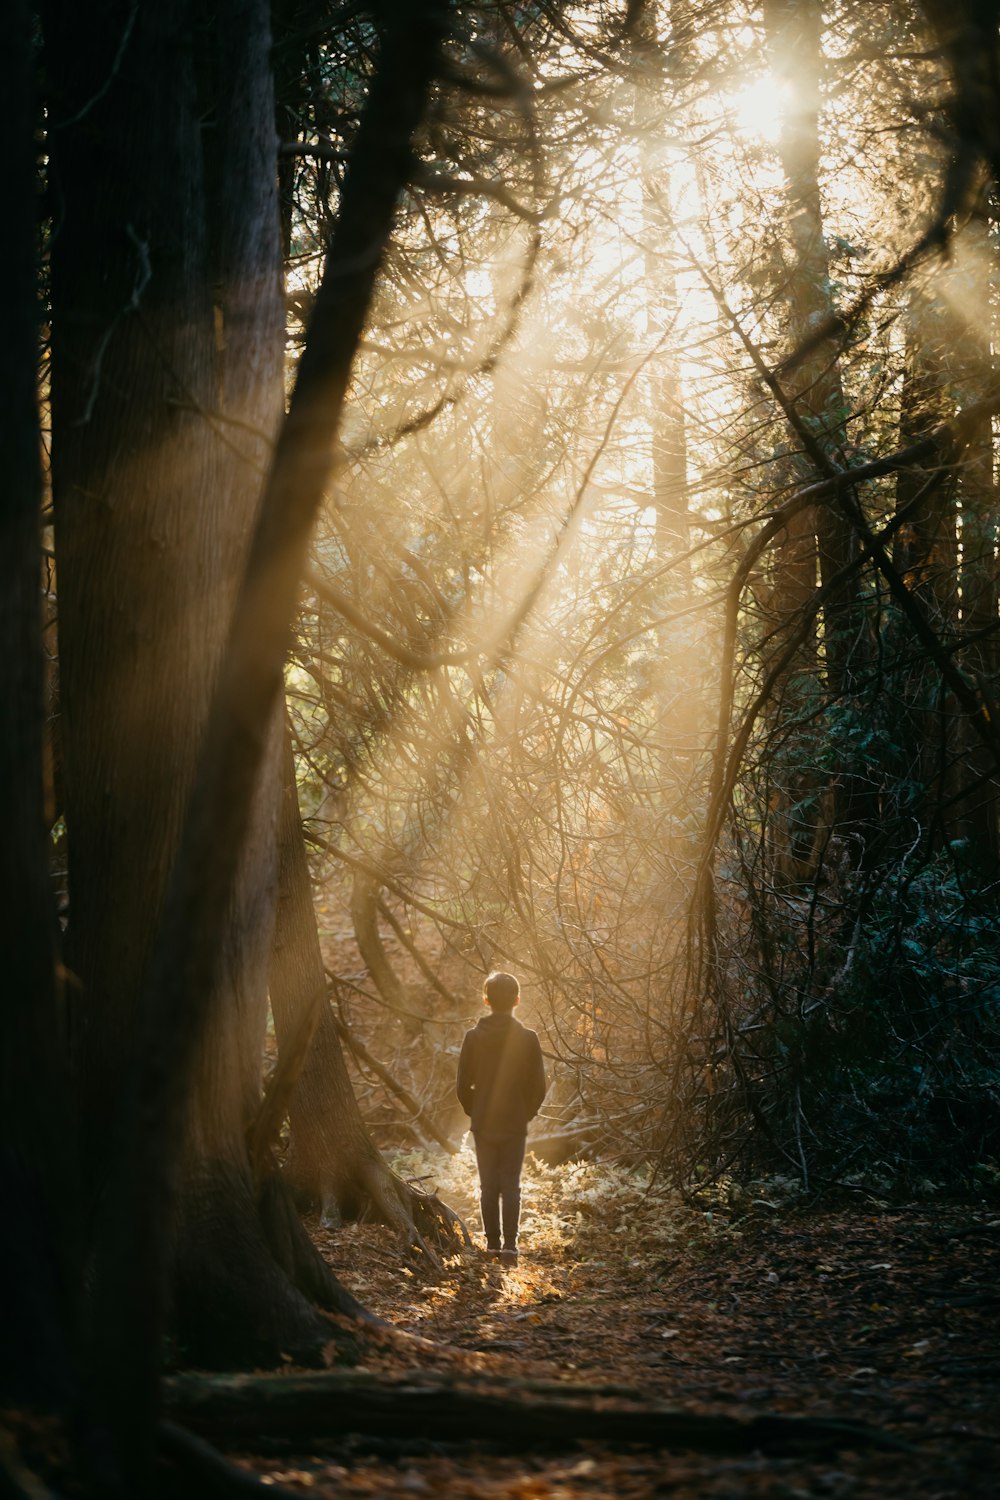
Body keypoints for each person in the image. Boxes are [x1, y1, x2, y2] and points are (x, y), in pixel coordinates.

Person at [456, 970, 546, 1263]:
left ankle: (492, 1245)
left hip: (484, 1123)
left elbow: (461, 1086)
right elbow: (538, 1087)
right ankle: (510, 1247)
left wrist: (476, 1109)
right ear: (517, 1000)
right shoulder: (528, 1038)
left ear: (486, 1000)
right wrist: (526, 1113)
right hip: (514, 1123)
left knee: (488, 1186)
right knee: (511, 1185)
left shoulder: (473, 1038)